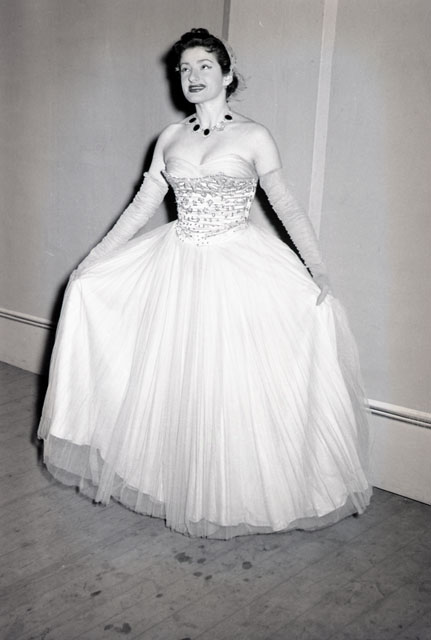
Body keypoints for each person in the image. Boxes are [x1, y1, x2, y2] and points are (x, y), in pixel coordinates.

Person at [38, 28, 372, 539]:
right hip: (176, 262)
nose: (192, 77)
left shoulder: (254, 136)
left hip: (237, 264)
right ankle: (172, 482)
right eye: (184, 69)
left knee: (230, 382)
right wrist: (92, 260)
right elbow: (141, 209)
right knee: (173, 374)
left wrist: (318, 268)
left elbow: (286, 206)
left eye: (204, 67)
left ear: (227, 74)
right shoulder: (170, 138)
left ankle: (235, 492)